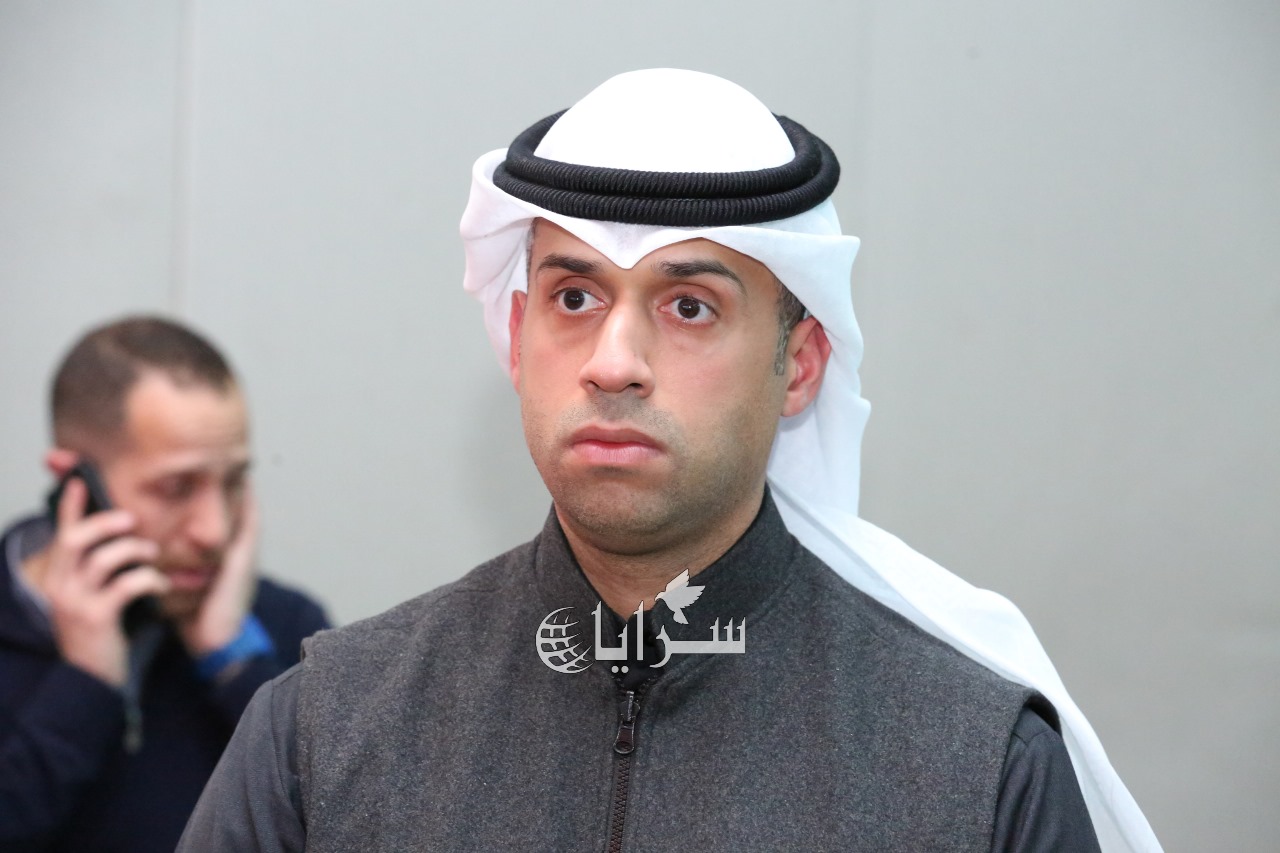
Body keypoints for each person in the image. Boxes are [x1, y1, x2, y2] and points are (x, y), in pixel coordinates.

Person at [180, 70, 1159, 851]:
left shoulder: (972, 766)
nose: (613, 362)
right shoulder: (325, 729)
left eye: (689, 306)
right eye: (573, 298)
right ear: (516, 337)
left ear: (799, 365)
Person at [0, 316, 330, 852]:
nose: (214, 531)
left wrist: (236, 664)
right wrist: (84, 687)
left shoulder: (287, 629)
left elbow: (346, 827)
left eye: (233, 482)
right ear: (74, 482)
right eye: (176, 488)